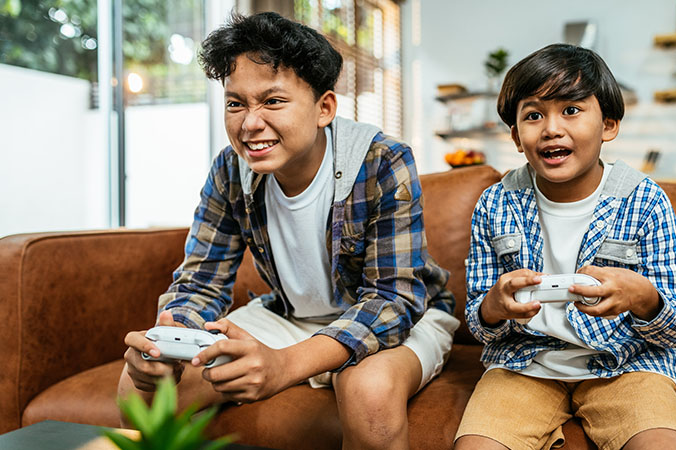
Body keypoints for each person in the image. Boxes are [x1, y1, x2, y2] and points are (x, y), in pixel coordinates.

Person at [117, 11, 459, 450]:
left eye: (273, 101)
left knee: (368, 391)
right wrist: (167, 342)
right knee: (138, 392)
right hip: (291, 316)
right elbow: (200, 283)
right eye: (235, 103)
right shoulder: (230, 169)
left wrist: (284, 366)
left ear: (324, 108)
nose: (249, 124)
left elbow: (393, 299)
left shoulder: (381, 161)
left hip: (396, 316)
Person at [453, 44, 676, 450]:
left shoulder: (645, 200)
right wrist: (493, 307)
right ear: (516, 137)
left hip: (628, 364)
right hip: (524, 364)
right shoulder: (495, 203)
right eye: (533, 115)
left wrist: (642, 296)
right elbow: (481, 325)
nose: (551, 128)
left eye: (571, 110)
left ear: (608, 125)